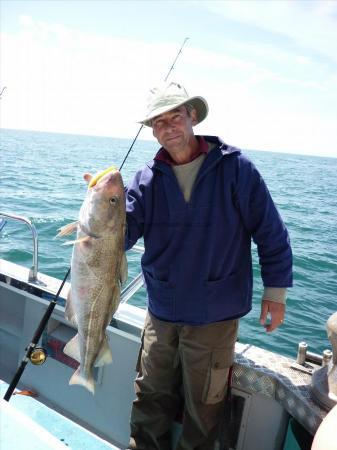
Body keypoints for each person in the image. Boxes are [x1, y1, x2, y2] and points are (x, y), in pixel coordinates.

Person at [124, 81, 293, 450]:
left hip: (214, 314)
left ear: (193, 117)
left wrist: (275, 293)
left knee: (205, 406)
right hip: (161, 311)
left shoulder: (236, 169)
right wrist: (100, 209)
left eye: (176, 116)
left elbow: (271, 232)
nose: (168, 127)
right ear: (152, 130)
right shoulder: (145, 180)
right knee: (149, 395)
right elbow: (121, 235)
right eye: (158, 122)